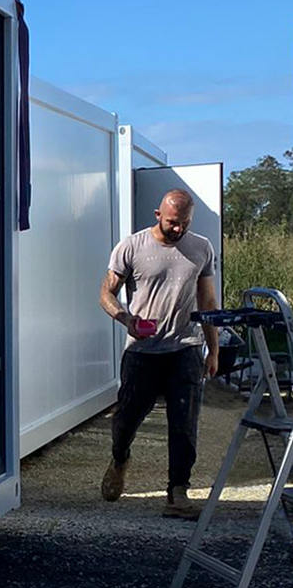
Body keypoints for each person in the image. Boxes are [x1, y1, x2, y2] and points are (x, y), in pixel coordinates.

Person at [99, 189, 219, 518]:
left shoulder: (201, 248)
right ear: (157, 215)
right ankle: (120, 457)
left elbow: (207, 302)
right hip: (142, 351)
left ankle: (177, 492)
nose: (178, 229)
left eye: (184, 223)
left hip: (186, 348)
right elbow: (106, 292)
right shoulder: (132, 247)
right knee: (126, 419)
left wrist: (213, 349)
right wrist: (125, 318)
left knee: (184, 424)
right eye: (172, 223)